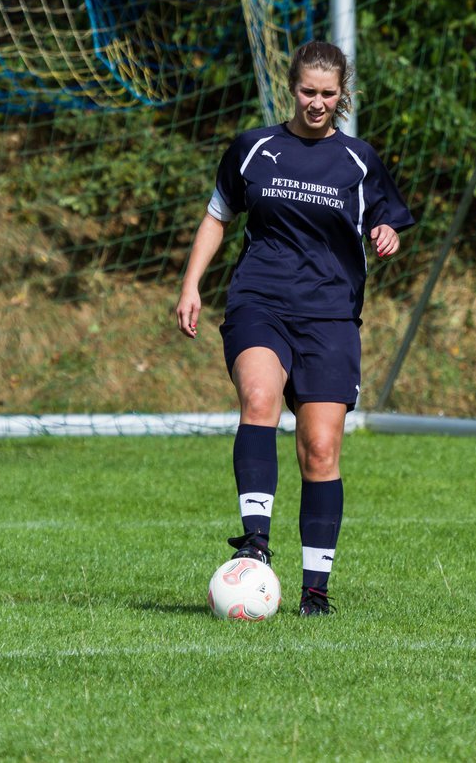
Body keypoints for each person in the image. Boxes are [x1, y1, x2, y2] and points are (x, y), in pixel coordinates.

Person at [175, 40, 414, 616]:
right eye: (308, 91)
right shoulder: (255, 147)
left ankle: (314, 592)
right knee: (258, 398)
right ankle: (255, 542)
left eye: (328, 94)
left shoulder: (358, 160)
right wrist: (191, 285)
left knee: (321, 449)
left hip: (330, 315)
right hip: (260, 300)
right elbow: (216, 216)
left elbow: (386, 218)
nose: (317, 102)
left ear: (342, 95)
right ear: (293, 87)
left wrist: (388, 235)